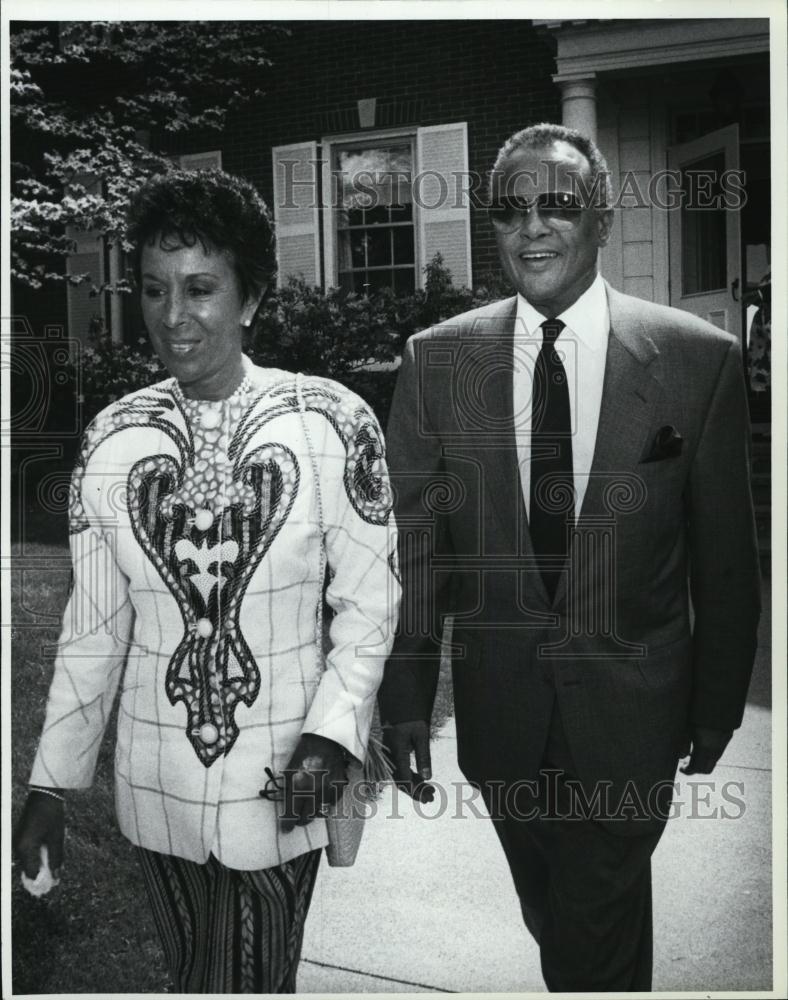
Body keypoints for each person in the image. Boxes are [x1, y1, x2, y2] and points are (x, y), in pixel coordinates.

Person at [378, 123, 761, 991]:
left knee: (592, 928)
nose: (533, 228)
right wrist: (405, 698)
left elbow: (726, 562)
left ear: (602, 217)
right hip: (503, 719)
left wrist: (716, 705)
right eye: (511, 210)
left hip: (633, 719)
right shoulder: (437, 362)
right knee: (561, 914)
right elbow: (418, 557)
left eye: (558, 204)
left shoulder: (698, 363)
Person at [13, 168, 400, 993]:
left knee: (249, 978)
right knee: (196, 972)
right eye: (154, 290)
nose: (173, 316)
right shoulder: (113, 440)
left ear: (251, 296)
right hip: (155, 789)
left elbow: (369, 604)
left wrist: (333, 734)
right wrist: (52, 780)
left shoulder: (332, 422)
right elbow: (94, 630)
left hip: (284, 779)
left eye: (200, 289)